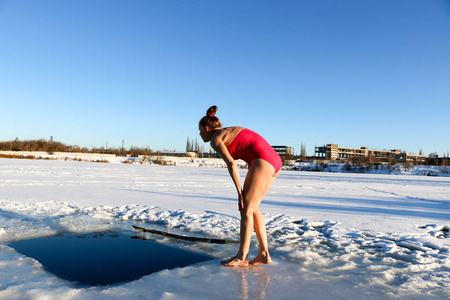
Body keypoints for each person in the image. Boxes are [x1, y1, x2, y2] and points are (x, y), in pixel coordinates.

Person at [199, 105, 282, 267]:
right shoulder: (228, 130)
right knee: (253, 208)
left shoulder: (216, 139)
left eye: (200, 130)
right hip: (275, 160)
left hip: (262, 159)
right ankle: (264, 254)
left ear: (207, 128)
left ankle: (242, 256)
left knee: (245, 208)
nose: (199, 134)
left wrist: (239, 192)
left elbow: (232, 164)